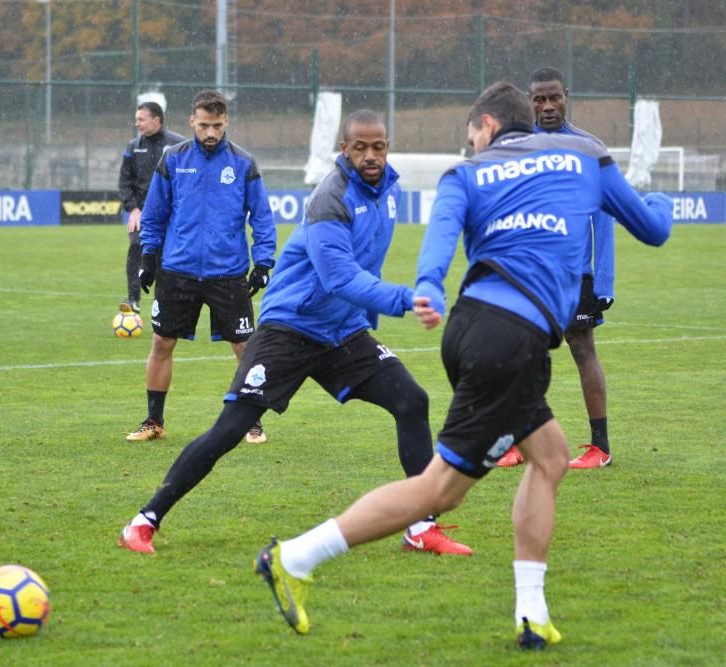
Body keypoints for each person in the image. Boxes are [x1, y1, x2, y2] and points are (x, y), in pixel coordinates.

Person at [255, 82, 671, 648]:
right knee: (439, 491)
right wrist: (664, 204)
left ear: (490, 126)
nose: (469, 143)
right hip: (512, 342)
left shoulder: (466, 175)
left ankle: (530, 611)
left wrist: (426, 286)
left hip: (473, 329)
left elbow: (439, 245)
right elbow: (653, 229)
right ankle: (295, 557)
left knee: (548, 455)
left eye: (470, 133)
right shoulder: (588, 158)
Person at [120, 109, 472, 557]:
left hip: (342, 331)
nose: (370, 155)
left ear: (387, 147)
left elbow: (368, 262)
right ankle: (144, 520)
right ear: (344, 149)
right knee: (230, 429)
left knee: (412, 401)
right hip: (290, 327)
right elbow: (340, 277)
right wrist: (405, 299)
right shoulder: (331, 198)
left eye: (378, 146)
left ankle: (421, 527)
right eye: (359, 147)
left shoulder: (389, 190)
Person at [125, 90, 276, 445]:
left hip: (228, 272)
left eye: (218, 126)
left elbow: (263, 217)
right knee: (162, 342)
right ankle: (153, 421)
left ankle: (251, 422)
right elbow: (155, 213)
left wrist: (264, 262)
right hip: (178, 270)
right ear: (192, 122)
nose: (211, 133)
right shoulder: (174, 159)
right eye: (205, 125)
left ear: (227, 123)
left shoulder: (242, 163)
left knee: (245, 348)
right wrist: (149, 257)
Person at [498, 66, 616, 469]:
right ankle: (515, 444)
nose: (547, 106)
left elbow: (604, 217)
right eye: (538, 99)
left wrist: (604, 281)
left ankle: (600, 447)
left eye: (554, 98)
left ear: (567, 95)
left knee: (582, 350)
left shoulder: (588, 148)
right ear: (529, 101)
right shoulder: (515, 145)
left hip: (572, 274)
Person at [117, 101, 185, 314]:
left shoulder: (178, 145)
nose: (136, 123)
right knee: (137, 247)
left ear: (157, 119)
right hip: (142, 213)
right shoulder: (133, 146)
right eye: (136, 119)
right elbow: (125, 181)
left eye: (141, 119)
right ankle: (133, 300)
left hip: (171, 214)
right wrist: (133, 208)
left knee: (165, 257)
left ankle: (163, 303)